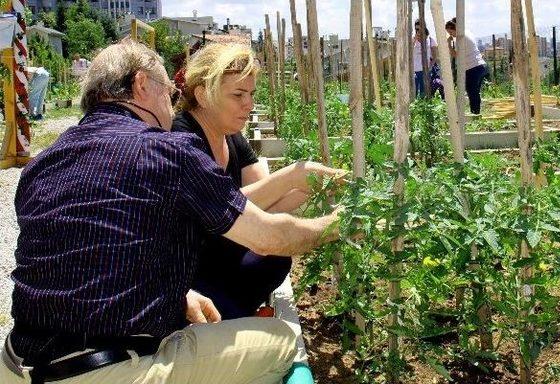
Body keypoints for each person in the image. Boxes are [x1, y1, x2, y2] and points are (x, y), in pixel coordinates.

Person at [1, 39, 345, 384]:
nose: (172, 104)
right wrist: (339, 224)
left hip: (17, 364)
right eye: (167, 91)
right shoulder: (166, 150)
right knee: (283, 342)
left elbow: (89, 256)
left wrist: (177, 295)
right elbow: (269, 238)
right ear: (140, 84)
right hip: (104, 370)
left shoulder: (44, 162)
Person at [173, 43, 321, 321]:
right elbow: (222, 210)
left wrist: (309, 187)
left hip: (224, 254)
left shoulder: (230, 134)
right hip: (189, 273)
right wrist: (290, 176)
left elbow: (265, 205)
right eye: (238, 94)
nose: (249, 104)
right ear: (203, 95)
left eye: (251, 94)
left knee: (276, 257)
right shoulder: (181, 140)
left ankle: (232, 316)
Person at [445, 17, 488, 115]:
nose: (451, 35)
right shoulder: (467, 33)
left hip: (473, 68)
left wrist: (448, 44)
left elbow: (456, 55)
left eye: (451, 32)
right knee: (474, 91)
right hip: (479, 66)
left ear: (455, 27)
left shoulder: (460, 38)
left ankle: (475, 114)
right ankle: (476, 112)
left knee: (472, 92)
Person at [413, 20, 438, 98]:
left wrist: (429, 68)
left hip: (425, 70)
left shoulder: (430, 40)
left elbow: (435, 56)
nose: (418, 31)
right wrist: (414, 40)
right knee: (414, 92)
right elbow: (407, 53)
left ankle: (424, 109)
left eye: (419, 29)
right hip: (414, 70)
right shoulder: (413, 39)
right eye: (416, 29)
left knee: (424, 93)